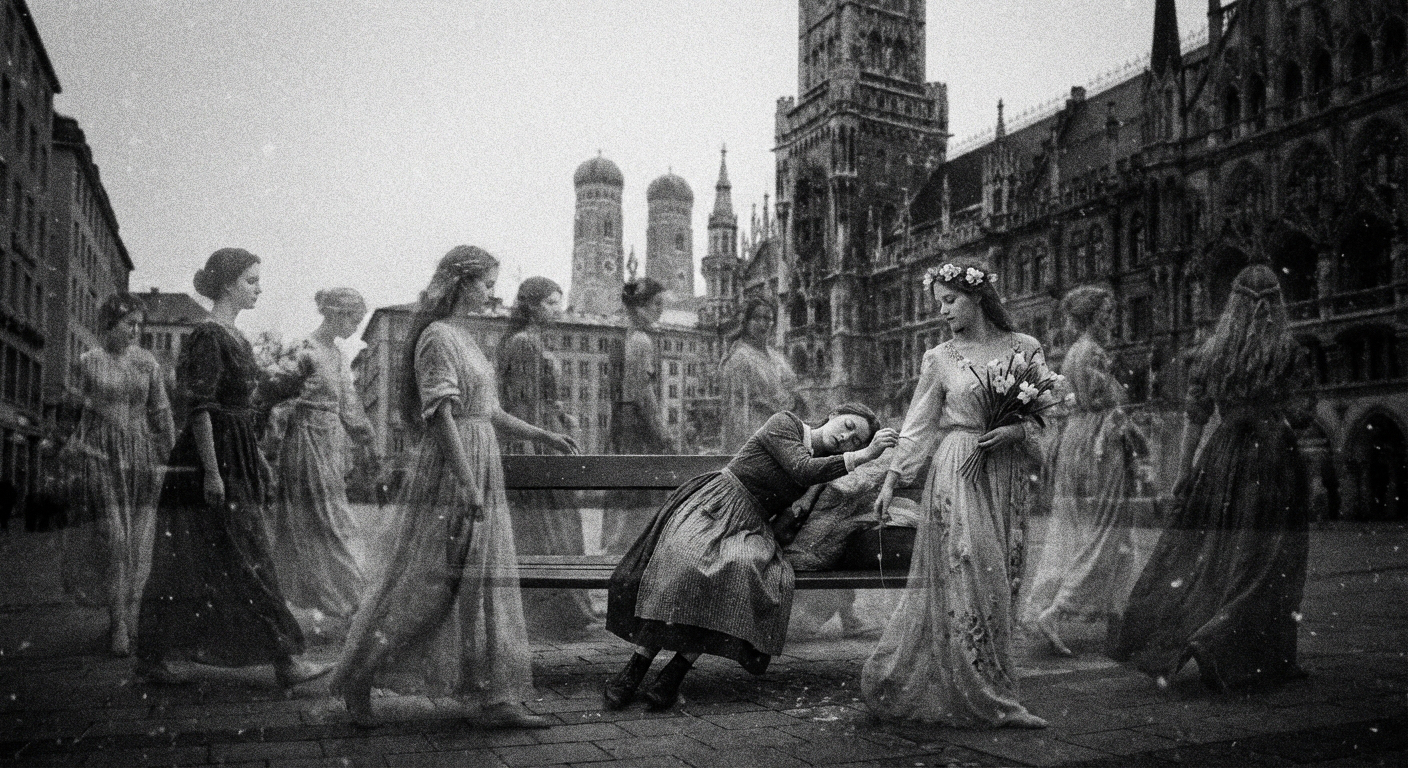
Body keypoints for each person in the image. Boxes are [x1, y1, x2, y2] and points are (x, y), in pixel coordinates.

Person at [330, 246, 578, 728]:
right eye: (486, 283)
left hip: (480, 459)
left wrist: (541, 433)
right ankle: (360, 672)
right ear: (461, 283)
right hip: (456, 468)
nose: (492, 292)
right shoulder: (437, 337)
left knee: (478, 580)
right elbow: (441, 415)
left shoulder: (464, 337)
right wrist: (466, 483)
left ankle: (489, 696)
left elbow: (487, 411)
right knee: (429, 582)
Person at [604, 405, 898, 711]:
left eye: (856, 440)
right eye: (848, 425)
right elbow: (801, 468)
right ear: (834, 414)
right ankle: (636, 666)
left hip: (751, 524)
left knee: (741, 570)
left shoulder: (826, 466)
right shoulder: (785, 424)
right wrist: (865, 455)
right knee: (690, 562)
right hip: (715, 505)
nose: (846, 437)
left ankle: (674, 672)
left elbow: (813, 486)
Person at [863, 259, 1052, 729]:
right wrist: (891, 479)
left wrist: (1016, 432)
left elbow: (1047, 418)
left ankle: (997, 689)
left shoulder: (1025, 348)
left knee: (1002, 578)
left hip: (1003, 473)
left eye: (950, 301)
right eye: (939, 304)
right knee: (974, 570)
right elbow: (919, 426)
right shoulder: (939, 358)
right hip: (958, 468)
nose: (943, 312)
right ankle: (987, 699)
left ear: (978, 297)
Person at [1109, 264, 1311, 691]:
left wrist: (1184, 475)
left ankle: (1201, 631)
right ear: (1276, 304)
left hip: (1222, 458)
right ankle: (1235, 645)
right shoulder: (1288, 350)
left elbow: (1195, 420)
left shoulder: (1210, 352)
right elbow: (1302, 415)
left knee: (1212, 555)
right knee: (1271, 560)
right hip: (1274, 458)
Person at [134, 248, 325, 688]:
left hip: (235, 451)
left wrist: (256, 458)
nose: (259, 289)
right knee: (228, 554)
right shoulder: (207, 335)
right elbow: (200, 406)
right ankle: (284, 659)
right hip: (210, 455)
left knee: (216, 555)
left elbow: (242, 408)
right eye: (251, 281)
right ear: (226, 285)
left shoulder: (236, 336)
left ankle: (157, 656)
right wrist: (214, 472)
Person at [1022, 285, 1148, 656]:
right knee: (1106, 530)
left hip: (1079, 439)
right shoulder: (1092, 352)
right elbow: (1104, 403)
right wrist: (1131, 434)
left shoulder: (1076, 353)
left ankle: (1097, 612)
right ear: (1091, 318)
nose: (1112, 321)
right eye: (1106, 315)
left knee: (1076, 530)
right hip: (1099, 442)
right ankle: (1058, 609)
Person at [60, 294, 175, 657]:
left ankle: (129, 613)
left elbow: (161, 412)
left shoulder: (147, 363)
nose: (136, 331)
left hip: (140, 457)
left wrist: (168, 458)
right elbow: (76, 412)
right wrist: (69, 446)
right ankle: (118, 624)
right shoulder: (87, 362)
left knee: (138, 544)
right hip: (100, 457)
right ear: (110, 323)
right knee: (114, 540)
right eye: (130, 324)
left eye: (140, 324)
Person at [266, 288, 378, 643]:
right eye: (351, 318)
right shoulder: (306, 350)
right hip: (305, 444)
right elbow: (270, 391)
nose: (354, 326)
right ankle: (348, 604)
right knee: (324, 522)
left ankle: (344, 603)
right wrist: (277, 424)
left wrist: (366, 439)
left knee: (334, 521)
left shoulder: (338, 354)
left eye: (358, 320)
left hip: (331, 445)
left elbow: (348, 404)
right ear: (332, 313)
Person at [497, 276, 597, 640]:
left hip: (547, 439)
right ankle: (557, 612)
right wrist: (534, 445)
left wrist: (560, 412)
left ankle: (565, 609)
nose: (559, 309)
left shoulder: (533, 341)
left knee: (557, 525)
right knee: (546, 526)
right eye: (552, 303)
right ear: (533, 306)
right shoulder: (524, 343)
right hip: (536, 445)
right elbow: (521, 403)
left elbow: (541, 396)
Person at [601, 278, 672, 555]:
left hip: (625, 422)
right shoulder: (642, 340)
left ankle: (626, 547)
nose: (660, 310)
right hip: (639, 424)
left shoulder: (628, 336)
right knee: (645, 493)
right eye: (656, 304)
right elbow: (644, 392)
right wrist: (660, 430)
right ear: (640, 306)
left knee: (631, 492)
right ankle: (633, 550)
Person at [720, 298, 802, 453]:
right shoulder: (739, 358)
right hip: (755, 437)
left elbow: (793, 389)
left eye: (768, 318)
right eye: (757, 318)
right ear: (746, 322)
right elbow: (736, 411)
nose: (763, 324)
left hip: (783, 437)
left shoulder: (777, 357)